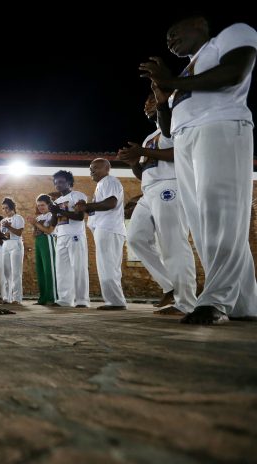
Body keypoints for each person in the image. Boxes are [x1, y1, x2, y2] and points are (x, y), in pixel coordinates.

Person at [140, 17, 257, 323]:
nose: (169, 39)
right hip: (184, 139)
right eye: (166, 37)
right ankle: (244, 303)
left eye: (174, 31)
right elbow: (166, 127)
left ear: (198, 24)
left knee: (221, 211)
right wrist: (164, 99)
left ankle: (216, 299)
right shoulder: (186, 72)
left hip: (219, 125)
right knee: (204, 223)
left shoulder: (230, 36)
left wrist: (172, 83)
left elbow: (234, 73)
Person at [118, 92, 196, 316]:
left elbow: (178, 154)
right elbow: (144, 174)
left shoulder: (175, 128)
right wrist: (134, 162)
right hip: (148, 191)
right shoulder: (149, 137)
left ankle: (187, 302)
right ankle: (171, 286)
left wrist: (142, 152)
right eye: (145, 101)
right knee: (135, 239)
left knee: (173, 242)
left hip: (170, 186)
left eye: (152, 99)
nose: (146, 103)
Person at [75, 159, 127, 310]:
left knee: (107, 266)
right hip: (107, 229)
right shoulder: (102, 184)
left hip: (108, 229)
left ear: (107, 168)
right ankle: (115, 300)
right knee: (109, 266)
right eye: (90, 169)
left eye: (96, 168)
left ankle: (115, 302)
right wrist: (86, 208)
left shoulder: (109, 181)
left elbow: (111, 203)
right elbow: (100, 207)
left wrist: (87, 205)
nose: (92, 171)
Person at [49, 170, 89, 308]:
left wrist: (59, 211)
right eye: (56, 183)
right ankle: (65, 299)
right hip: (61, 236)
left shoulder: (77, 195)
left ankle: (82, 300)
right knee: (62, 269)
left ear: (69, 182)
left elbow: (79, 217)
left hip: (75, 235)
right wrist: (53, 212)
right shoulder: (57, 201)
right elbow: (54, 223)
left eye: (61, 182)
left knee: (79, 267)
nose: (58, 185)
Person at [26, 194, 57, 305]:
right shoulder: (39, 217)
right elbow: (35, 233)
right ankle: (43, 297)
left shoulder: (51, 215)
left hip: (47, 240)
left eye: (42, 205)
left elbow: (49, 231)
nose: (40, 207)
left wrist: (35, 224)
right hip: (38, 242)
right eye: (38, 205)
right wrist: (34, 224)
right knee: (40, 270)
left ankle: (52, 297)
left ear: (48, 205)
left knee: (49, 269)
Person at [0, 197, 25, 304]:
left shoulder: (18, 218)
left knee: (16, 272)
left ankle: (16, 298)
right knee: (6, 273)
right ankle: (6, 297)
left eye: (6, 208)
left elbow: (19, 233)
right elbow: (4, 234)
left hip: (16, 244)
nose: (5, 210)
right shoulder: (3, 220)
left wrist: (9, 227)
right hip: (6, 245)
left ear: (12, 208)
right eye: (3, 208)